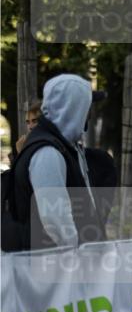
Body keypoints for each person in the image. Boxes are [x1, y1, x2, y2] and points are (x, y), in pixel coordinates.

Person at [5, 74, 103, 251]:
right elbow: (55, 218)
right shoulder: (47, 152)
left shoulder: (60, 146)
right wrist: (77, 256)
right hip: (49, 265)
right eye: (86, 106)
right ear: (73, 108)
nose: (88, 114)